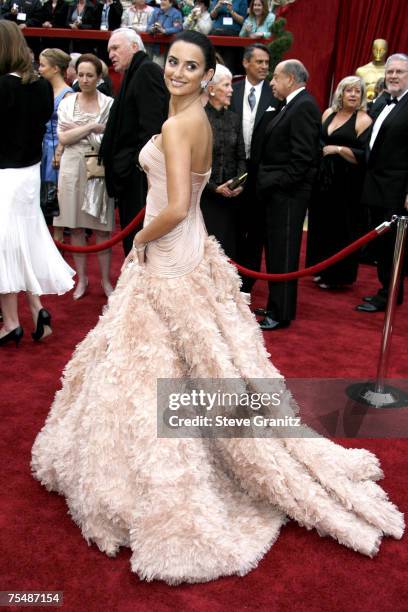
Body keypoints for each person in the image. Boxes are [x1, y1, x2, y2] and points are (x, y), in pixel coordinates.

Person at [32, 31, 404, 585]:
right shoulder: (198, 121)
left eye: (191, 66)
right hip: (192, 251)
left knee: (155, 363)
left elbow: (177, 206)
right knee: (190, 359)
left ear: (208, 75)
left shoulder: (180, 125)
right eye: (173, 63)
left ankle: (160, 475)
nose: (178, 72)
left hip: (169, 253)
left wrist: (137, 240)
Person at [0, 22, 74, 346]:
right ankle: (37, 308)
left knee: (5, 248)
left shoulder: (3, 86)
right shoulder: (43, 86)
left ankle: (11, 323)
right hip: (30, 173)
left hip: (5, 175)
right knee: (22, 243)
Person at [253, 59, 321, 330]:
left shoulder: (303, 106)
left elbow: (303, 157)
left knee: (284, 254)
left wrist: (278, 184)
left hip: (288, 196)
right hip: (280, 194)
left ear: (290, 79)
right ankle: (275, 306)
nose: (271, 82)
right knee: (277, 253)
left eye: (276, 77)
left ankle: (280, 314)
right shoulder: (291, 104)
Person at [100, 28, 169, 255]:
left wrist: (135, 165)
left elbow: (153, 127)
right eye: (109, 49)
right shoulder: (133, 72)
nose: (110, 53)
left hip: (139, 178)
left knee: (139, 240)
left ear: (134, 46)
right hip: (131, 175)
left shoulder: (147, 71)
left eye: (116, 47)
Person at [54, 54, 114, 300]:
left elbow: (107, 140)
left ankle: (106, 281)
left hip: (98, 170)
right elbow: (64, 138)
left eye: (90, 75)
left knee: (102, 230)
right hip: (70, 168)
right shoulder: (67, 102)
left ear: (99, 77)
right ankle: (81, 280)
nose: (85, 80)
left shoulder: (109, 104)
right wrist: (91, 128)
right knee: (76, 227)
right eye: (81, 75)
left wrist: (76, 131)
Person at [306, 76, 372, 290]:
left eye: (357, 91)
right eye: (349, 91)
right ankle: (321, 269)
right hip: (323, 181)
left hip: (347, 184)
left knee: (341, 228)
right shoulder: (328, 113)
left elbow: (364, 156)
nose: (353, 95)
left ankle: (338, 276)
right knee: (321, 224)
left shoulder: (363, 119)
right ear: (340, 93)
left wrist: (339, 149)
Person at [355, 53, 408, 313]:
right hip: (375, 185)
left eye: (400, 72)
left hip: (397, 189)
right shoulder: (381, 103)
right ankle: (387, 290)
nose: (394, 76)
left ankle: (390, 293)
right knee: (382, 244)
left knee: (393, 245)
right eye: (391, 72)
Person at [230, 43, 280, 292]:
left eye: (266, 63)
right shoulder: (233, 90)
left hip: (262, 173)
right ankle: (230, 276)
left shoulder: (275, 95)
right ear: (246, 63)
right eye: (259, 62)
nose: (263, 67)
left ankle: (248, 281)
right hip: (234, 170)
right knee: (234, 226)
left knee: (256, 228)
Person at [201, 64, 246, 258]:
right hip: (204, 199)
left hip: (231, 200)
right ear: (211, 89)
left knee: (228, 250)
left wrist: (240, 184)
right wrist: (214, 188)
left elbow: (241, 157)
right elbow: (191, 164)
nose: (231, 90)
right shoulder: (199, 118)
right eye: (227, 85)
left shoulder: (235, 119)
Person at [38, 48, 74, 225]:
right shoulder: (43, 89)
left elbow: (69, 129)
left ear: (55, 68)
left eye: (43, 65)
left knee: (52, 196)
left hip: (57, 148)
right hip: (42, 147)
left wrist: (59, 151)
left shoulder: (67, 94)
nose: (39, 69)